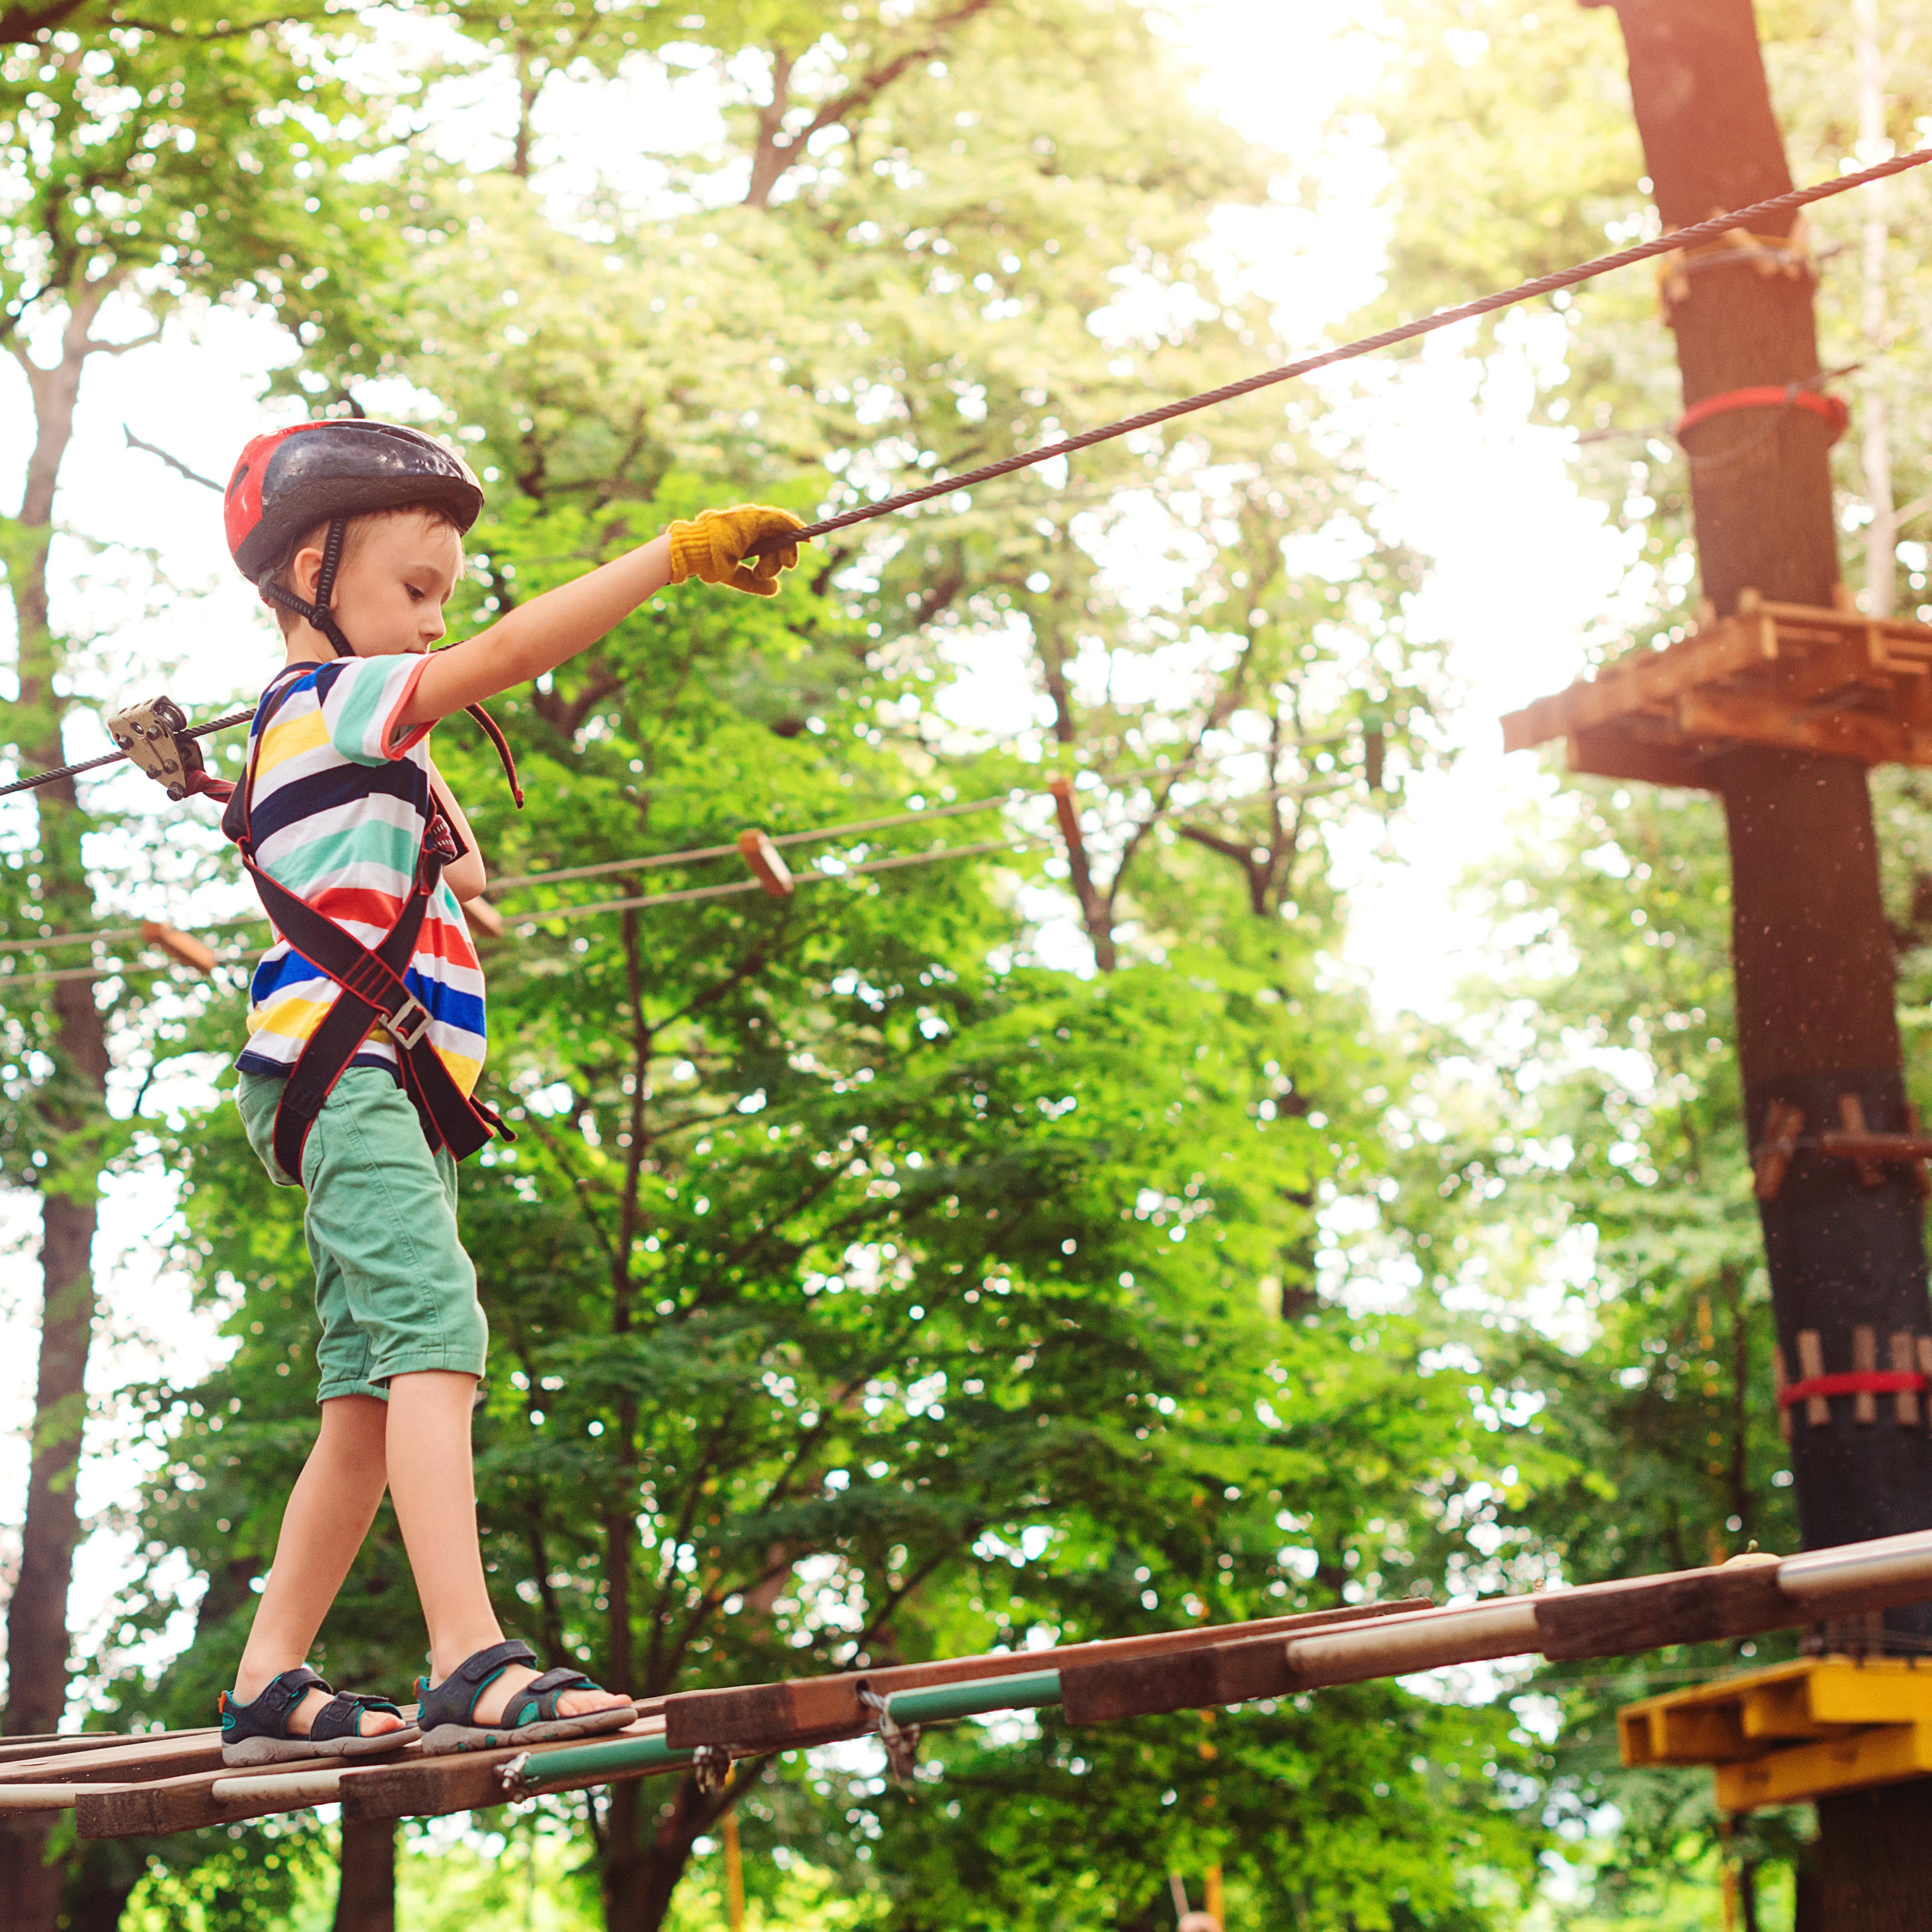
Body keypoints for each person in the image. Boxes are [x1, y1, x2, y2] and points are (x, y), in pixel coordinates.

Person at [210, 419, 804, 1764]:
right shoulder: (333, 700)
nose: (436, 626)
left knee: (365, 1393)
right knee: (438, 1332)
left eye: (445, 604)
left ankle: (268, 1673)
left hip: (367, 1088)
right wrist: (670, 557)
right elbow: (510, 658)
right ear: (313, 566)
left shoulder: (342, 723)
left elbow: (464, 869)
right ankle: (467, 1653)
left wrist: (397, 723)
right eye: (415, 590)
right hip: (347, 1073)